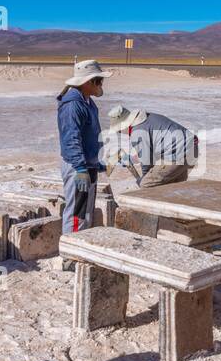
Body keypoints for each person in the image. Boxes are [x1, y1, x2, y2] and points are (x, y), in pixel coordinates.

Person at [57, 59, 112, 233]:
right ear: (89, 82)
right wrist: (81, 168)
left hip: (88, 166)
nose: (102, 84)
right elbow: (71, 139)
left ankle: (80, 249)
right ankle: (69, 256)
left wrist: (96, 163)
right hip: (78, 168)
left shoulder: (87, 101)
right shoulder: (73, 105)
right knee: (77, 214)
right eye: (99, 80)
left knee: (86, 212)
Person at [107, 104, 197, 188]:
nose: (120, 132)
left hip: (178, 154)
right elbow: (156, 149)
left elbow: (147, 162)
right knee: (175, 187)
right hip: (193, 148)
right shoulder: (149, 117)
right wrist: (133, 159)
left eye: (119, 130)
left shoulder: (137, 132)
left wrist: (144, 179)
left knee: (146, 184)